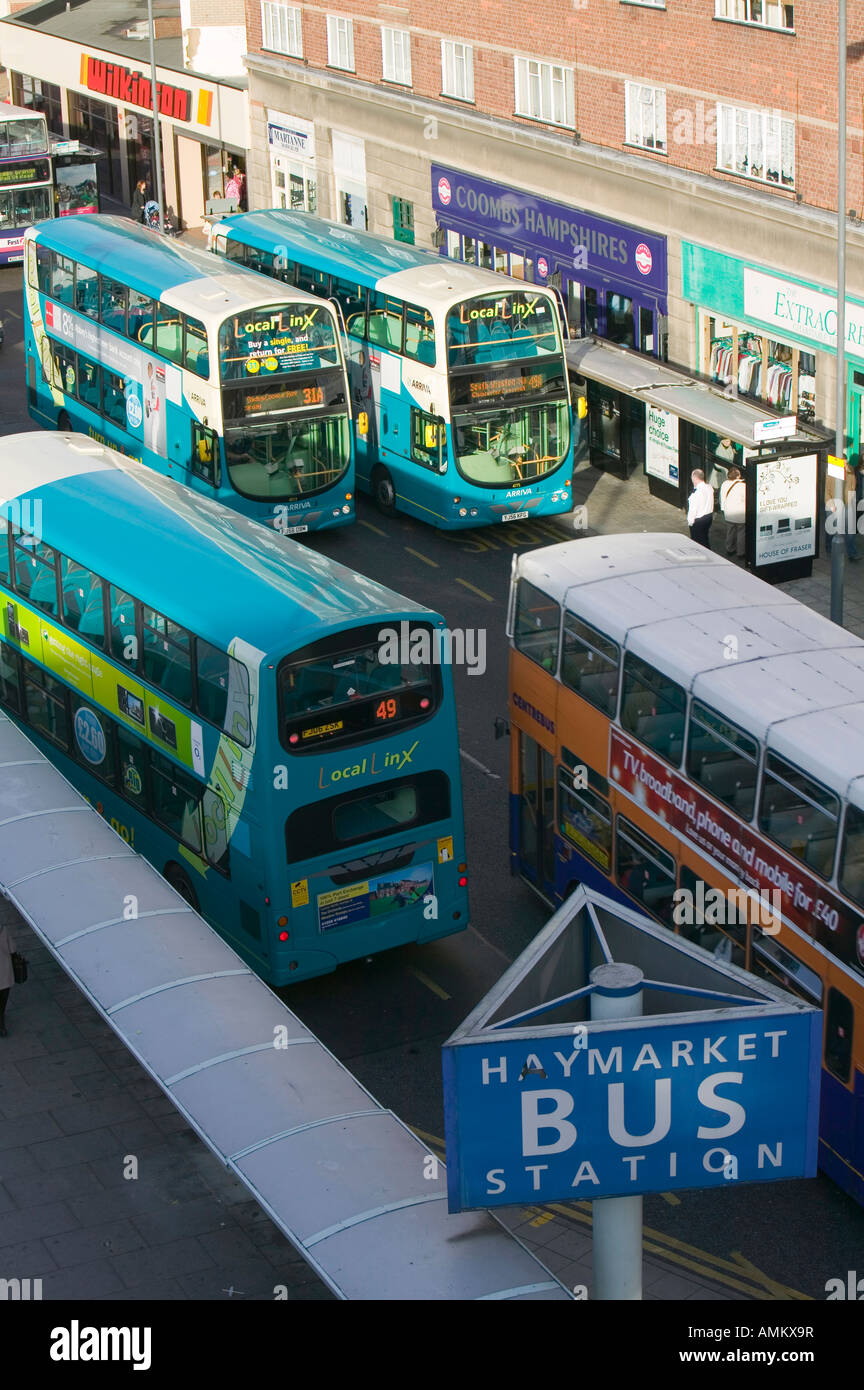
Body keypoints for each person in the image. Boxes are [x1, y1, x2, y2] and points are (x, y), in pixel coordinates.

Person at [719, 464, 747, 560]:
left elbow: (722, 498)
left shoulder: (724, 484)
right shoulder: (743, 486)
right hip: (740, 514)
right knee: (741, 533)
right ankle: (741, 552)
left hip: (729, 513)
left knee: (730, 531)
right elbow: (745, 500)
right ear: (738, 475)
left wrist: (723, 509)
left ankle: (729, 549)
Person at [687, 468, 715, 548]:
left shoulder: (696, 494)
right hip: (708, 517)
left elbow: (693, 510)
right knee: (705, 539)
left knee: (697, 543)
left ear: (695, 478)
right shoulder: (709, 487)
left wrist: (690, 522)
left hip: (698, 521)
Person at [0, 918, 16, 1037]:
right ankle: (1, 1027)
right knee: (2, 1002)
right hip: (4, 973)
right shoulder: (3, 930)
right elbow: (13, 949)